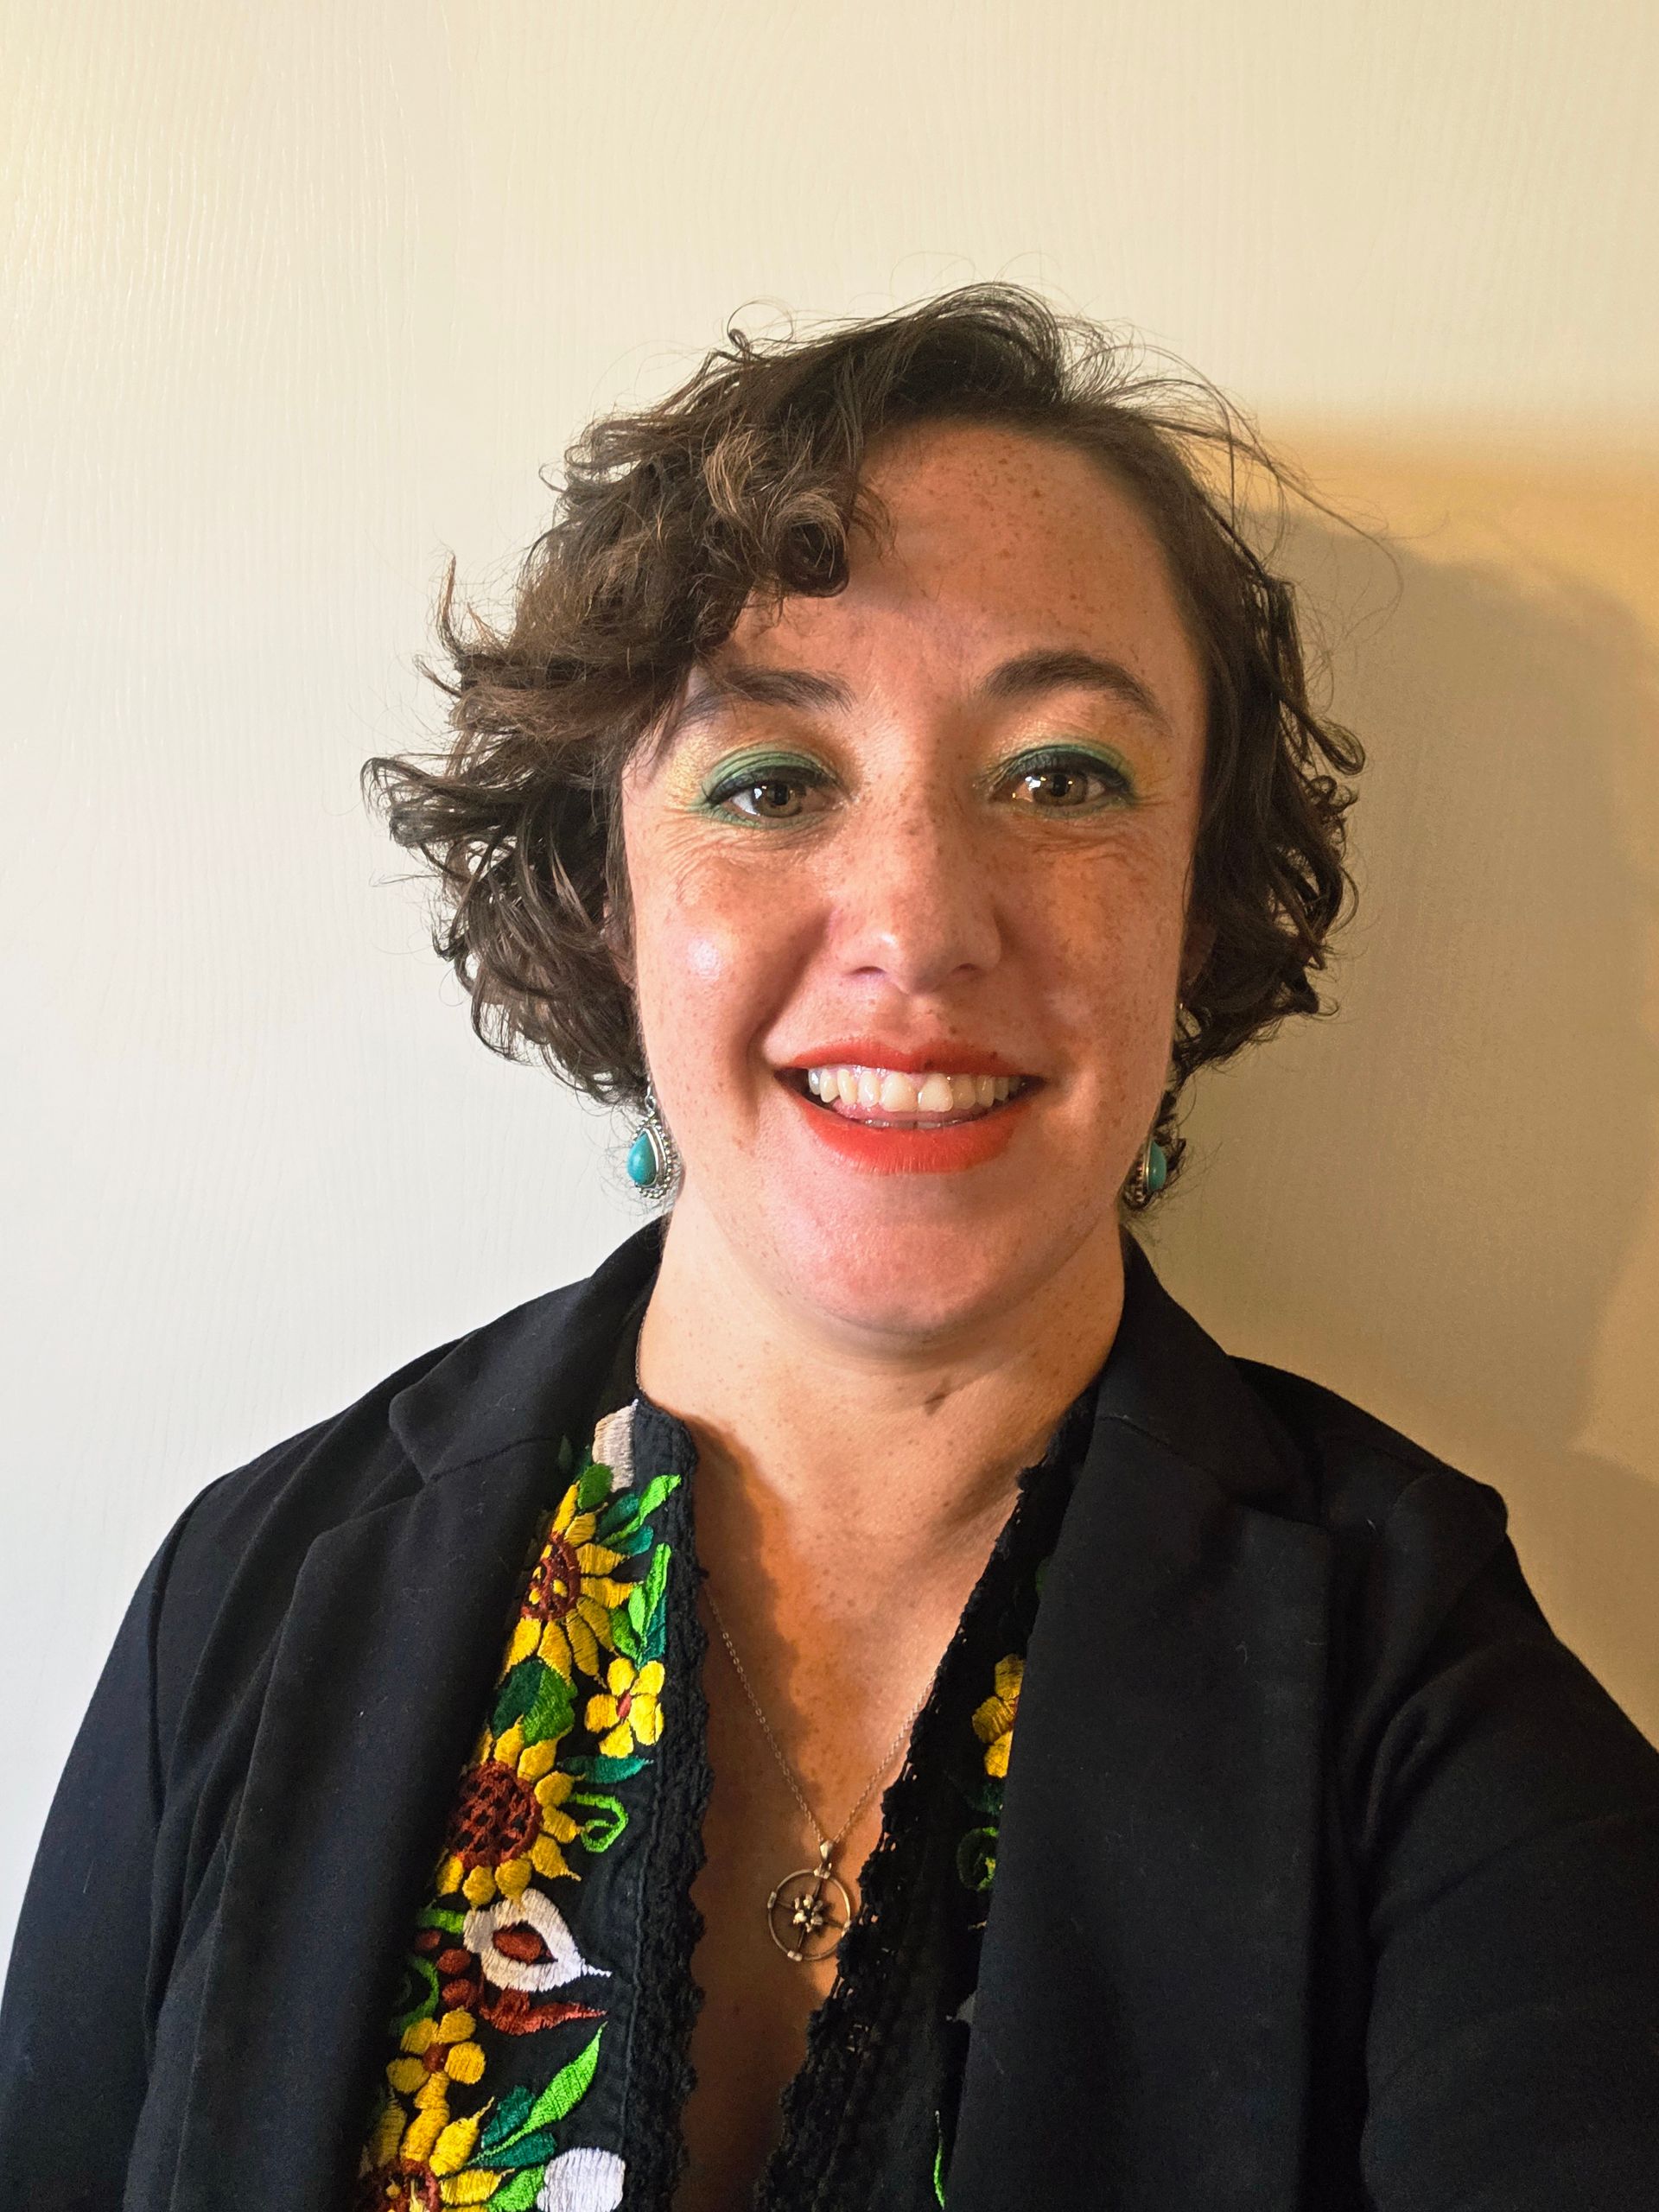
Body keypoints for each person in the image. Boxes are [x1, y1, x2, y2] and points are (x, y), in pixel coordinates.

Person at [3, 287, 1656, 2212]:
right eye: (770, 782)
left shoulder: (1420, 1669)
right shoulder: (254, 1595)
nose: (920, 920)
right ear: (602, 891)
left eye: (1062, 776)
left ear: (1196, 904)